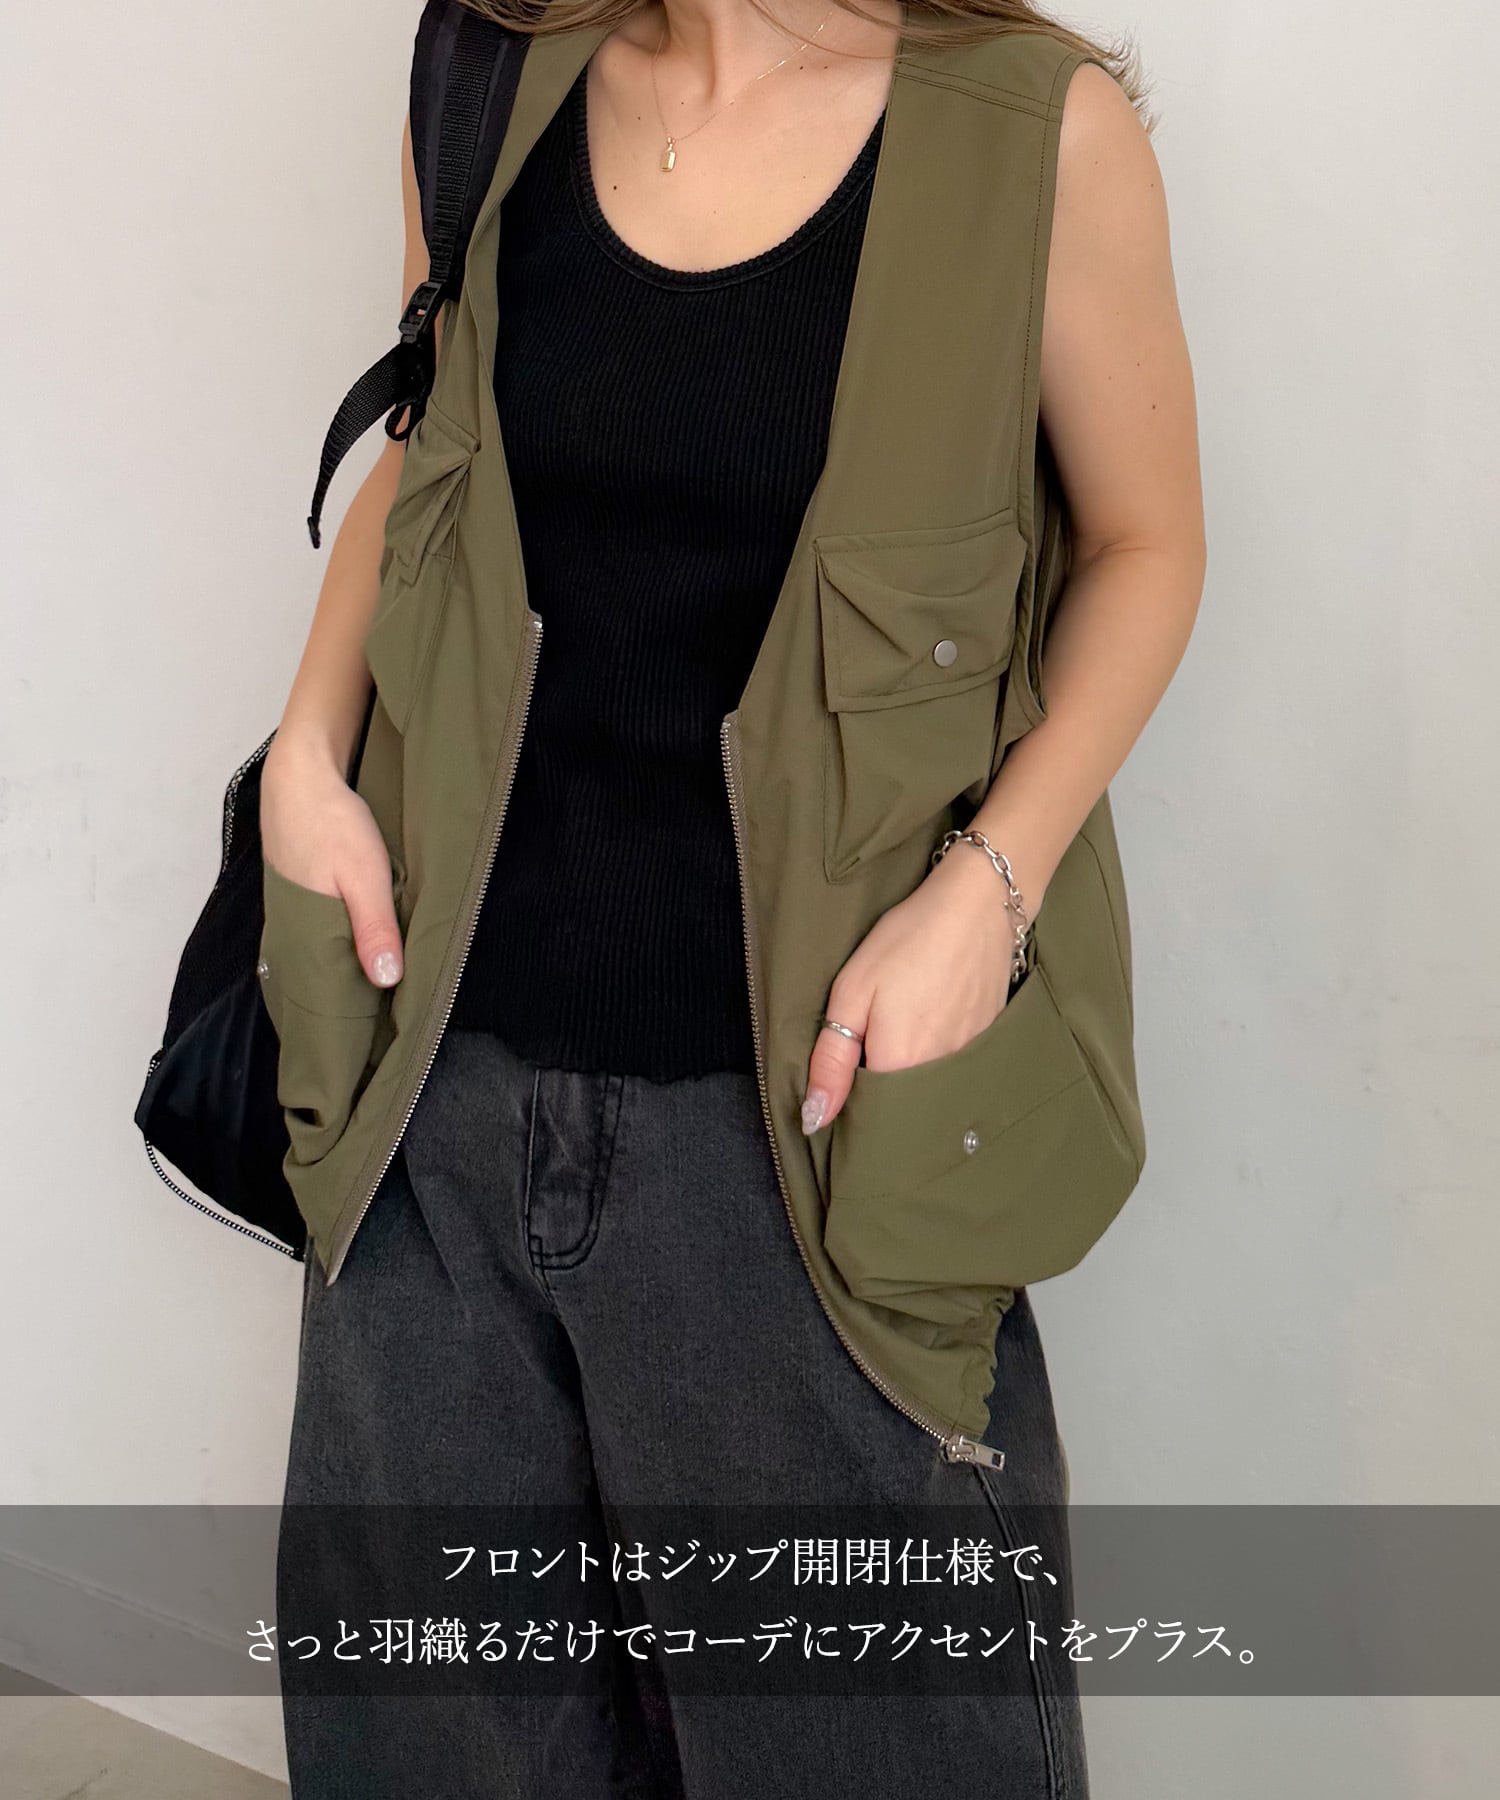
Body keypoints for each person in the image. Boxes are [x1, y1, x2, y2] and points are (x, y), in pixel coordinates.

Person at [263, 0, 1205, 1792]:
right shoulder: (491, 69)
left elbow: (1149, 546)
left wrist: (989, 890)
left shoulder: (1034, 130)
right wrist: (307, 751)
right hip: (431, 1115)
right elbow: (426, 442)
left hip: (810, 1139)